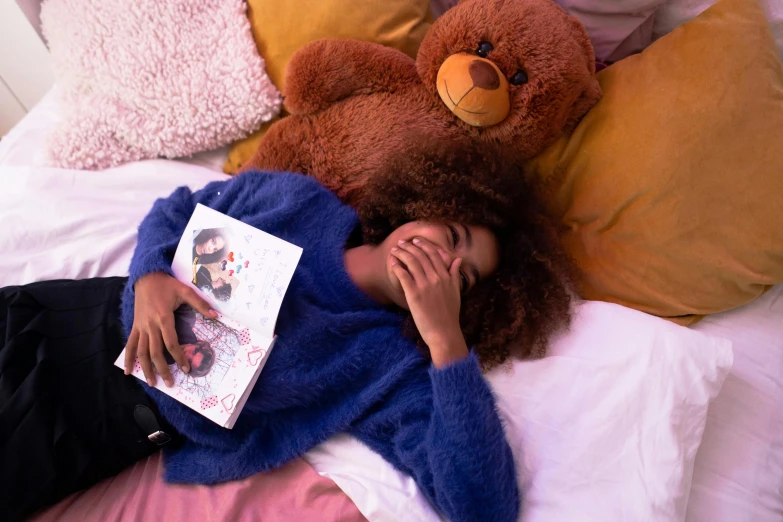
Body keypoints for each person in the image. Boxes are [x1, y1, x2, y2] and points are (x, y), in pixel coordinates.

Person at [0, 146, 573, 522]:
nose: (438, 261)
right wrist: (150, 271)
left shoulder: (387, 367)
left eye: (463, 277)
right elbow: (176, 210)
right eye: (449, 233)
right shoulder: (298, 200)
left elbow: (483, 508)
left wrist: (447, 342)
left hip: (90, 420)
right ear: (423, 206)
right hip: (59, 313)